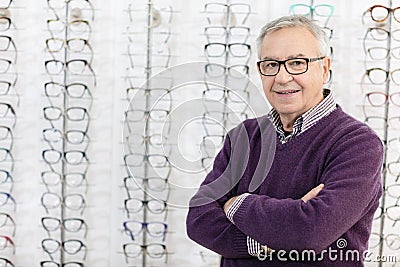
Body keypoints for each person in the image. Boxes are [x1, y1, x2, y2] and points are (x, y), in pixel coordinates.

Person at [186, 15, 383, 266]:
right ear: (260, 70)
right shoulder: (243, 137)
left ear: (324, 68)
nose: (282, 77)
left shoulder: (357, 144)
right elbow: (198, 220)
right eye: (271, 65)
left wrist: (238, 204)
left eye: (297, 63)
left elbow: (312, 230)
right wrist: (267, 240)